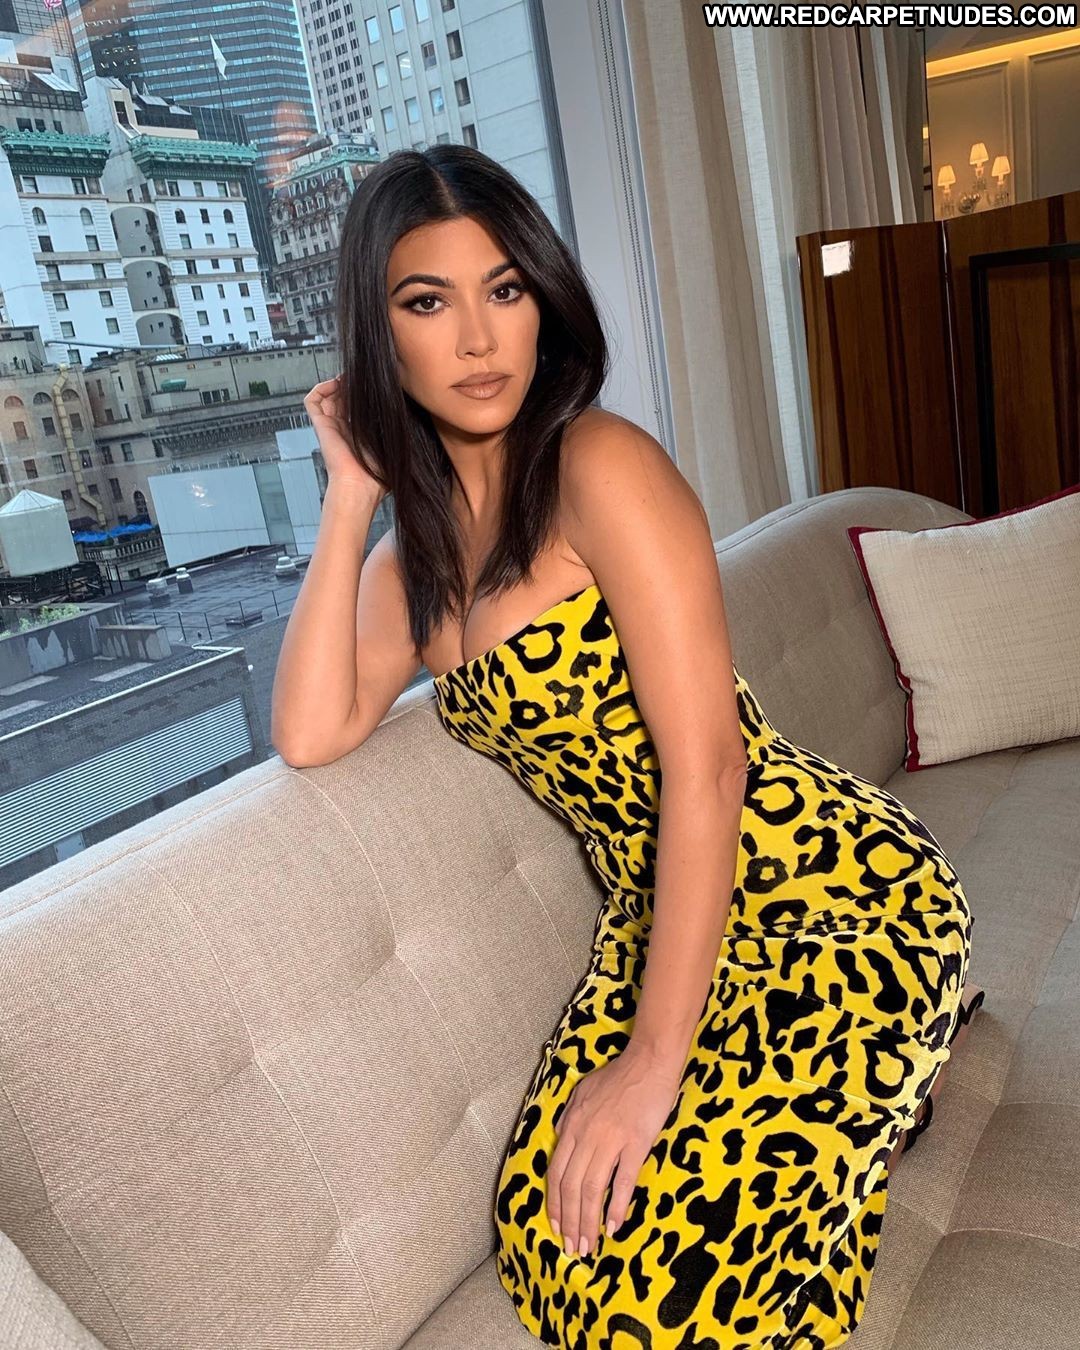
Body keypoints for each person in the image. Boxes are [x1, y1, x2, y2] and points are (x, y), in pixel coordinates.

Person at [271, 145, 983, 1349]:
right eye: (427, 303)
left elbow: (710, 769)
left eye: (504, 289)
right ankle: (879, 1096)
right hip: (654, 920)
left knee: (669, 1297)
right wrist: (350, 495)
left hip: (830, 895)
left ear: (542, 299)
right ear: (379, 336)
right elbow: (308, 730)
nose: (479, 338)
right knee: (545, 1235)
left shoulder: (601, 466)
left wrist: (655, 1063)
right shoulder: (415, 567)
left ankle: (900, 1043)